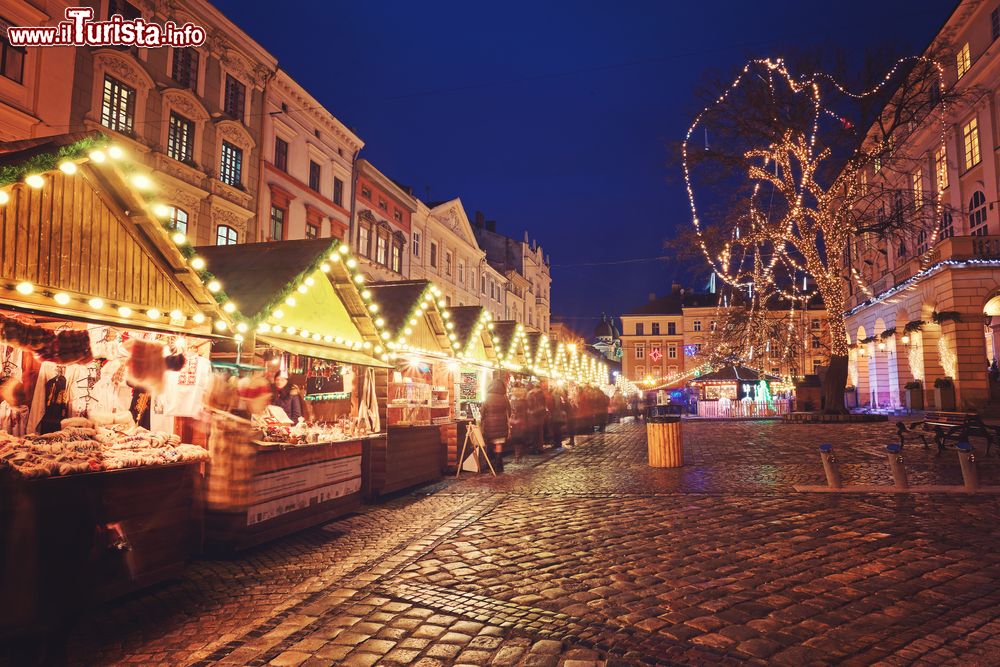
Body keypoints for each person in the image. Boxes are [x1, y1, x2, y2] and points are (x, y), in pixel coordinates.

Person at [480, 376, 510, 472]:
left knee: (489, 443)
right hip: (501, 425)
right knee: (498, 444)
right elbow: (509, 411)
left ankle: (489, 463)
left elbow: (482, 412)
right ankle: (498, 465)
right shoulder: (504, 398)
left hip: (489, 425)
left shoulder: (487, 397)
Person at [509, 383, 529, 462]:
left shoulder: (513, 401)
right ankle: (519, 454)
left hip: (516, 422)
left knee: (517, 439)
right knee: (520, 438)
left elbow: (511, 411)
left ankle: (518, 455)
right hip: (521, 421)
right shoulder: (523, 401)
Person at [526, 382, 547, 454]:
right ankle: (540, 448)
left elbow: (529, 404)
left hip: (533, 415)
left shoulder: (530, 394)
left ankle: (534, 449)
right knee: (540, 432)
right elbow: (544, 404)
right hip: (540, 415)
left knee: (533, 433)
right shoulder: (542, 394)